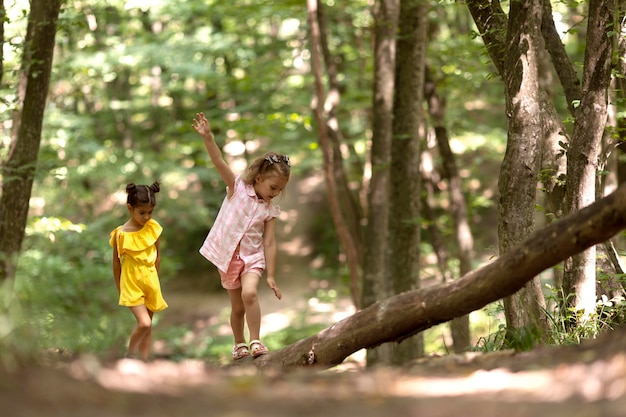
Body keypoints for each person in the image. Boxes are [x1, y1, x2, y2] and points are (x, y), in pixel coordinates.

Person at [192, 112, 289, 360]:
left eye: (280, 190)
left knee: (250, 294)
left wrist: (272, 275)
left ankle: (256, 340)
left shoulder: (269, 209)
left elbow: (269, 242)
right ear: (258, 178)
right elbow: (219, 162)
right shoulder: (237, 189)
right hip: (228, 257)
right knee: (237, 307)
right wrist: (208, 137)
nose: (276, 193)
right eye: (273, 187)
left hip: (252, 258)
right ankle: (239, 344)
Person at [110, 181, 168, 361]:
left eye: (150, 212)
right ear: (130, 208)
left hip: (150, 280)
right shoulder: (121, 234)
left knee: (148, 326)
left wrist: (155, 280)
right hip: (131, 282)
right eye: (142, 212)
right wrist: (120, 287)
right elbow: (116, 263)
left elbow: (157, 255)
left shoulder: (153, 228)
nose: (146, 217)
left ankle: (143, 361)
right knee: (144, 323)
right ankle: (130, 355)